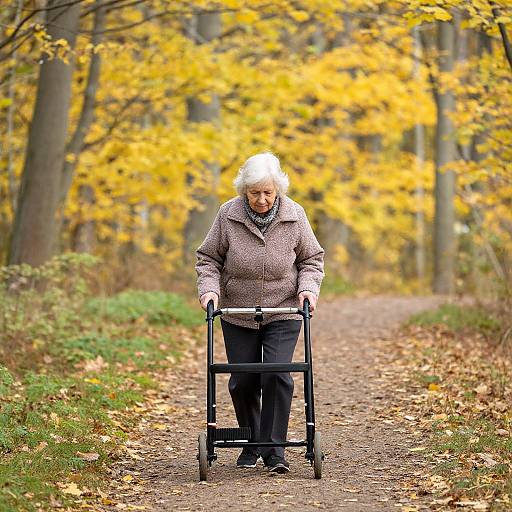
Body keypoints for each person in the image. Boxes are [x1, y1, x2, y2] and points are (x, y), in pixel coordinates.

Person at [195, 152, 324, 474]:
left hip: (283, 309)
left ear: (278, 189)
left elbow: (311, 260)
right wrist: (209, 290)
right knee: (242, 381)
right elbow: (208, 259)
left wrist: (307, 289)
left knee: (278, 374)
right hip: (238, 310)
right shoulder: (228, 215)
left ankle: (274, 451)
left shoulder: (295, 215)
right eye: (255, 193)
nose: (262, 199)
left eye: (268, 192)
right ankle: (251, 442)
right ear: (244, 191)